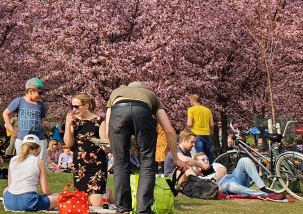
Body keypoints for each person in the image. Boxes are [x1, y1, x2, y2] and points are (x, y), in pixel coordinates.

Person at [101, 82, 184, 214]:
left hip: (118, 111)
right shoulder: (150, 95)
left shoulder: (116, 92)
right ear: (143, 89)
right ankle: (143, 210)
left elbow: (107, 129)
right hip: (143, 111)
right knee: (147, 163)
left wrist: (111, 145)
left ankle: (122, 209)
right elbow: (169, 130)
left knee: (120, 163)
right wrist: (176, 158)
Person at [64, 93, 109, 207]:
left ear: (87, 106)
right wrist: (68, 125)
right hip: (80, 167)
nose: (74, 109)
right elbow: (68, 144)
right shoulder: (74, 122)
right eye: (72, 106)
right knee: (83, 203)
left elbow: (106, 145)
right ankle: (107, 194)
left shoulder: (99, 121)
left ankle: (107, 194)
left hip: (97, 166)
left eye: (77, 106)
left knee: (96, 204)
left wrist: (101, 142)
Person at [185, 152, 285, 201]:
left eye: (206, 159)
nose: (206, 161)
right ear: (197, 163)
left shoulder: (214, 165)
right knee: (230, 185)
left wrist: (213, 179)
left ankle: (263, 187)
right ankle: (264, 194)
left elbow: (223, 170)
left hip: (234, 177)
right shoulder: (198, 177)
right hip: (225, 186)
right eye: (203, 160)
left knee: (244, 160)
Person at [2, 134, 59, 212]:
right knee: (60, 197)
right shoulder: (38, 162)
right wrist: (51, 194)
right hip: (28, 201)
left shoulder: (13, 160)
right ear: (38, 148)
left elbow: (9, 185)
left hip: (10, 202)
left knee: (6, 190)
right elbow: (45, 191)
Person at [3, 77, 48, 160]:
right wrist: (11, 130)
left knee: (39, 163)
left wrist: (40, 128)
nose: (41, 96)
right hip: (22, 138)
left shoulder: (41, 105)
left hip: (39, 138)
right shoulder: (19, 101)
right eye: (40, 93)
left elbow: (42, 120)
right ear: (31, 91)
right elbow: (5, 114)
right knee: (22, 162)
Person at [186, 94, 214, 163]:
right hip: (206, 134)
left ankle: (203, 170)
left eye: (190, 100)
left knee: (200, 155)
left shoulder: (191, 110)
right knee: (208, 154)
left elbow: (189, 123)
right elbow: (212, 124)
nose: (190, 102)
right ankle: (211, 169)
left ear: (193, 100)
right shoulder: (208, 110)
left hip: (196, 134)